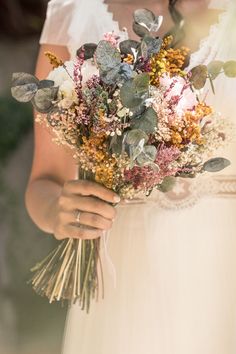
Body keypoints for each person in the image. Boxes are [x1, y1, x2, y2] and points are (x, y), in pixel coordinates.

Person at [25, 0, 236, 353]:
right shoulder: (74, 12)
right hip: (125, 277)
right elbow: (44, 181)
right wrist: (60, 212)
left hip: (225, 277)